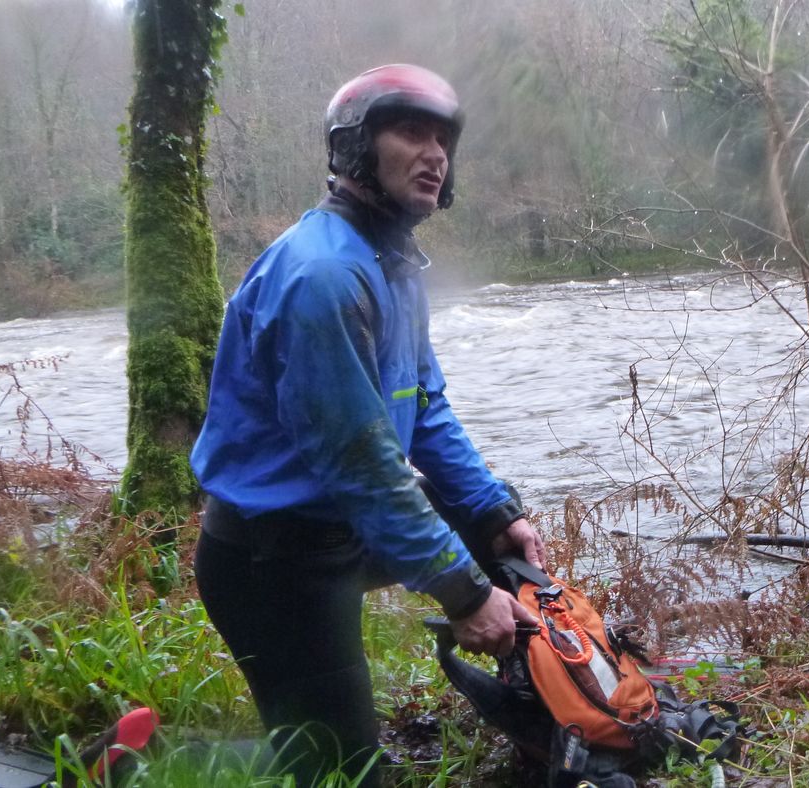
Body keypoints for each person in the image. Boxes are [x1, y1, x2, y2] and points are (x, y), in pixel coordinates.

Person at [189, 63, 546, 786]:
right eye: (411, 131)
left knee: (492, 522)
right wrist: (464, 595)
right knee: (339, 773)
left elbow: (427, 406)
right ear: (357, 147)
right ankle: (137, 758)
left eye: (443, 138)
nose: (435, 154)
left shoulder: (393, 263)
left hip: (336, 531)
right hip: (275, 563)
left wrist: (494, 511)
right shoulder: (323, 276)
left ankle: (542, 703)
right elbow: (363, 465)